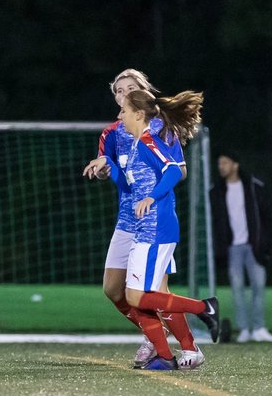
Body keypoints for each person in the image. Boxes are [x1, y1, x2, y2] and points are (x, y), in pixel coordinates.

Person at [83, 69, 201, 368]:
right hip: (127, 218)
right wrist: (104, 168)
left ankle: (185, 347)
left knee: (154, 292)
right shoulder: (112, 133)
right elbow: (116, 174)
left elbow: (178, 169)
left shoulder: (159, 129)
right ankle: (154, 333)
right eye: (118, 91)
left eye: (130, 88)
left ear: (143, 94)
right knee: (113, 289)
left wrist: (153, 190)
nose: (123, 94)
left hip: (153, 218)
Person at [108, 87, 220, 370]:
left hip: (156, 228)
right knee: (136, 297)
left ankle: (205, 309)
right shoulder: (135, 145)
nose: (120, 114)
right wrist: (109, 168)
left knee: (136, 296)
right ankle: (166, 357)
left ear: (138, 113)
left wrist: (152, 196)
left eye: (124, 110)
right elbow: (130, 186)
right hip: (142, 228)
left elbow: (173, 169)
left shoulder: (148, 140)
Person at [209, 153, 272, 342]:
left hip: (253, 246)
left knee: (258, 286)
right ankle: (244, 330)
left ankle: (259, 328)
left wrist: (265, 242)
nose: (221, 166)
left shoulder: (253, 187)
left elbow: (267, 216)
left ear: (235, 165)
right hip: (232, 248)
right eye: (219, 163)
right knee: (237, 288)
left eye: (225, 162)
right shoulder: (216, 190)